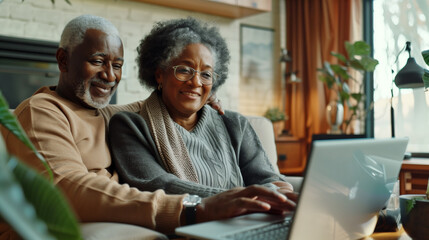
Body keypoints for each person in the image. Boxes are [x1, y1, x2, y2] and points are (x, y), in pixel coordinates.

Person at [0, 14, 296, 237]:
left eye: (117, 66)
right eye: (97, 61)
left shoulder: (108, 113)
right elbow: (66, 187)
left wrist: (199, 93)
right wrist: (192, 208)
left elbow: (161, 107)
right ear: (63, 60)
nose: (109, 75)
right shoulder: (43, 111)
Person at [107, 17, 295, 198]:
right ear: (159, 75)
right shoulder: (130, 125)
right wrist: (236, 198)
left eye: (206, 74)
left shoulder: (235, 124)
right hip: (186, 226)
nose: (195, 82)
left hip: (247, 219)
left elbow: (268, 179)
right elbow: (156, 183)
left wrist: (280, 193)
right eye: (184, 70)